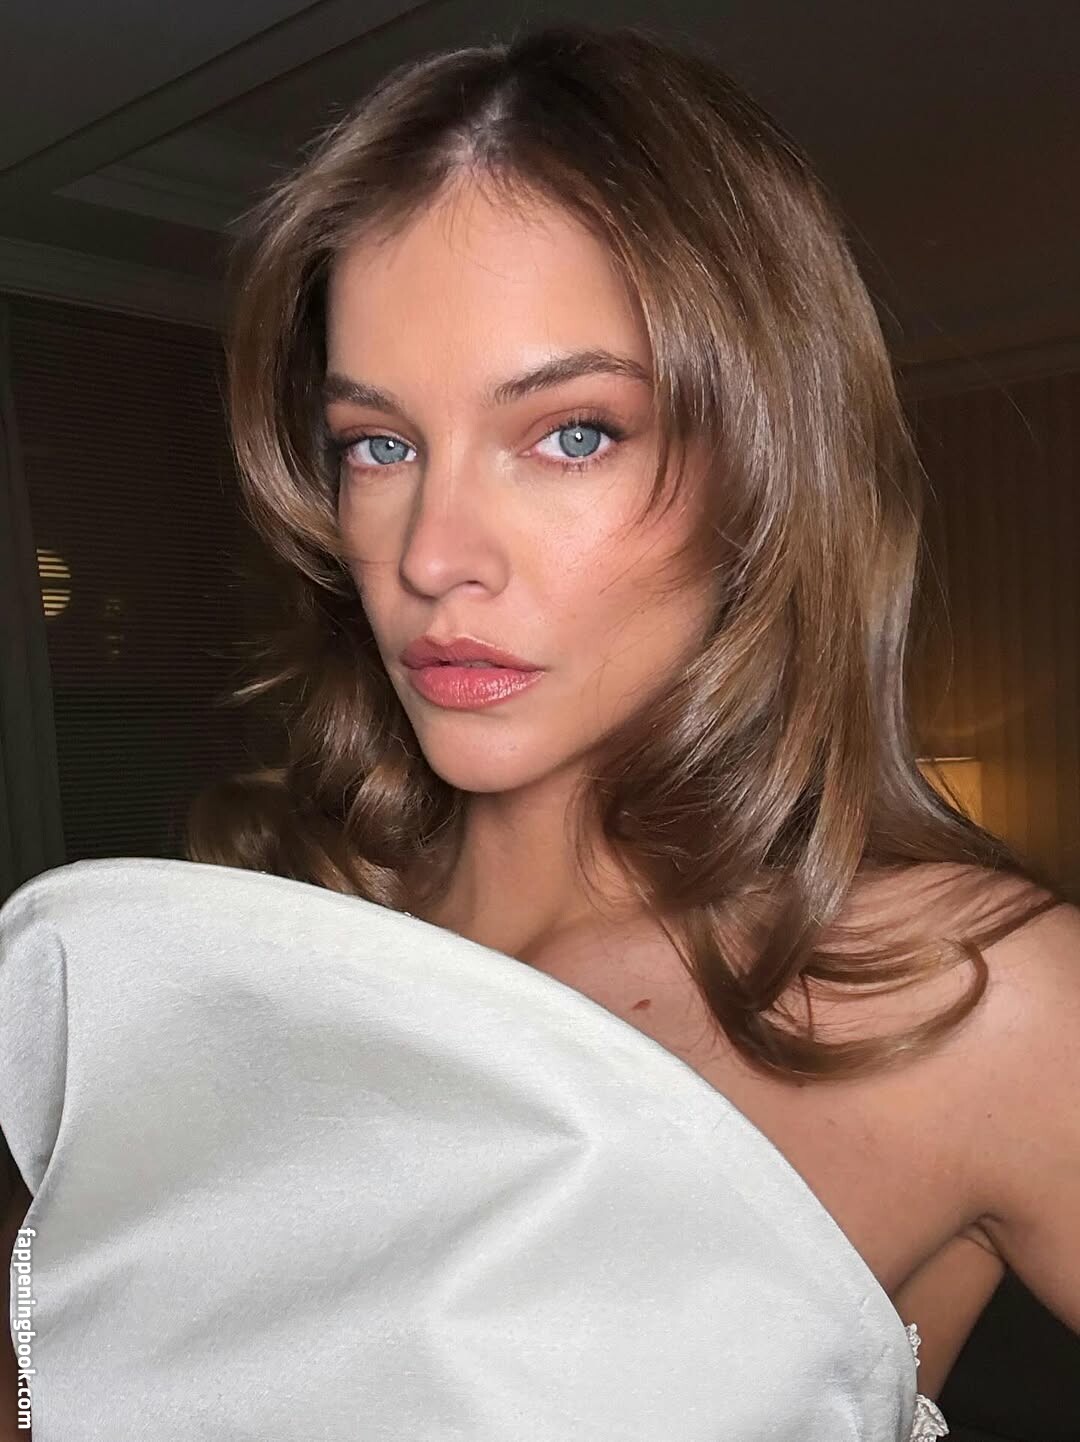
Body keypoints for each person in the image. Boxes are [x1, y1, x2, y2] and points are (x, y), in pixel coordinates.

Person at [2, 20, 1078, 1441]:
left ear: (765, 464)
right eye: (379, 443)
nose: (433, 552)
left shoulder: (967, 998)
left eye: (572, 432)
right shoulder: (223, 960)